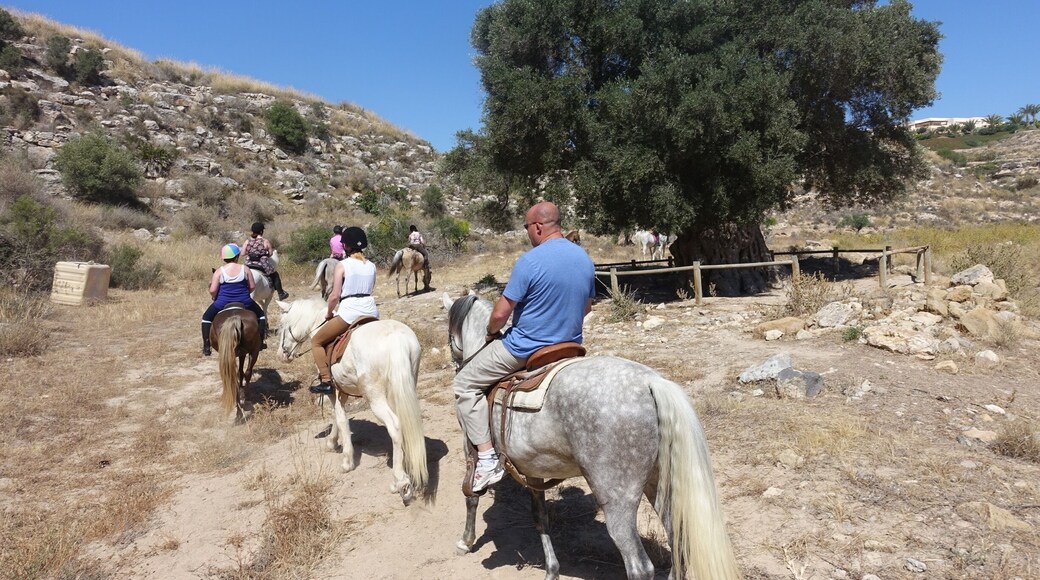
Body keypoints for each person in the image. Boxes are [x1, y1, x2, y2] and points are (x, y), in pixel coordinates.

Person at [453, 201, 595, 492]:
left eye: (527, 228)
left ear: (538, 227)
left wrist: (492, 333)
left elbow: (499, 314)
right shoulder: (583, 258)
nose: (527, 233)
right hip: (571, 345)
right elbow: (588, 307)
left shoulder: (529, 261)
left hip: (525, 348)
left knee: (464, 384)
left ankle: (487, 456)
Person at [308, 226, 379, 395]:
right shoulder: (372, 266)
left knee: (316, 341)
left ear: (347, 246)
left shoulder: (342, 265)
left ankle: (326, 380)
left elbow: (334, 296)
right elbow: (371, 288)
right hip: (371, 312)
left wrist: (329, 313)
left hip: (349, 313)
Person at [201, 243, 267, 356]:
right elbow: (252, 287)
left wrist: (217, 296)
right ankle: (260, 342)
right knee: (261, 315)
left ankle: (207, 346)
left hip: (222, 302)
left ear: (224, 258)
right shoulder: (245, 269)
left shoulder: (219, 271)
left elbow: (212, 290)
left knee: (206, 318)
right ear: (237, 257)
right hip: (244, 301)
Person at [243, 222, 289, 300]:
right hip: (262, 264)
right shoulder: (265, 241)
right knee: (275, 274)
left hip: (248, 263)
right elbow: (271, 253)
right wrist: (264, 254)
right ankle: (281, 293)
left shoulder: (247, 241)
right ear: (261, 231)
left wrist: (251, 253)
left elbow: (243, 253)